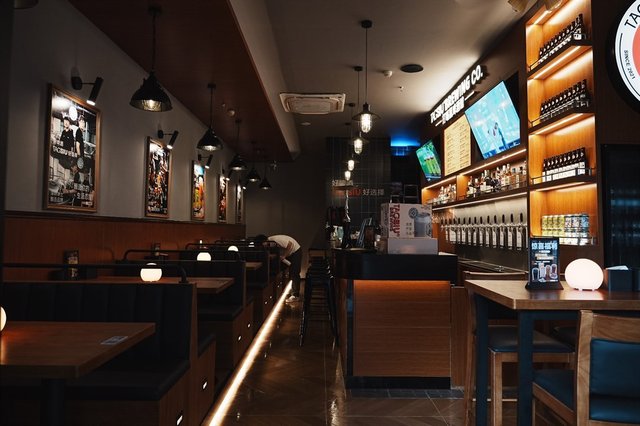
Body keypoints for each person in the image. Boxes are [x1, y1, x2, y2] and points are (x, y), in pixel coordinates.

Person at [256, 234, 301, 302]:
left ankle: (295, 295)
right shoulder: (269, 243)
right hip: (290, 253)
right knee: (284, 270)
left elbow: (290, 244)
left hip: (296, 251)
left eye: (261, 244)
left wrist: (284, 255)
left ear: (264, 241)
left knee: (295, 272)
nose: (262, 246)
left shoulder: (275, 240)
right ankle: (288, 291)